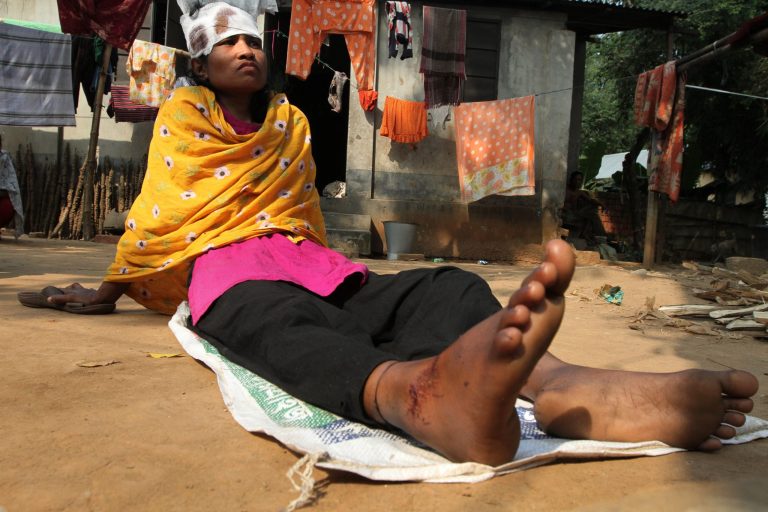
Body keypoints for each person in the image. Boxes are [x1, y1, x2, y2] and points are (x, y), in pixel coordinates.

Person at [19, 2, 759, 466]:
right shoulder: (184, 118)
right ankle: (417, 397)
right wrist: (109, 288)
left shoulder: (291, 121)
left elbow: (300, 206)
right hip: (233, 278)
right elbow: (160, 214)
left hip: (318, 263)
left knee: (445, 290)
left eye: (253, 38)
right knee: (290, 330)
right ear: (201, 61)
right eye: (228, 42)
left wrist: (333, 267)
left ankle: (569, 387)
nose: (246, 49)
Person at [562, 171, 607, 244]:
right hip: (565, 214)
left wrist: (601, 204)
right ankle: (601, 236)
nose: (577, 182)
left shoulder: (579, 192)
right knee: (591, 215)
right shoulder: (564, 189)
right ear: (571, 179)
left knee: (592, 210)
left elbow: (590, 200)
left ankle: (597, 236)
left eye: (579, 180)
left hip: (575, 214)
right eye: (576, 179)